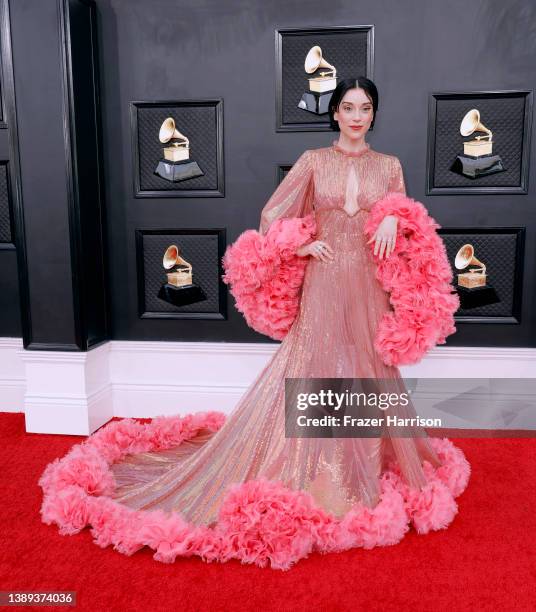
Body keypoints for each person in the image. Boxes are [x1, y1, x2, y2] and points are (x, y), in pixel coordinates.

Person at [39, 77, 470, 571]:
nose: (356, 115)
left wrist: (395, 216)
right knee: (317, 362)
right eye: (347, 107)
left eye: (365, 107)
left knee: (367, 366)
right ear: (334, 114)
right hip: (326, 280)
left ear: (374, 114)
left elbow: (408, 221)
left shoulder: (389, 166)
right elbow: (274, 215)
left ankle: (362, 466)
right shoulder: (313, 162)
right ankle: (316, 469)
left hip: (369, 283)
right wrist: (302, 246)